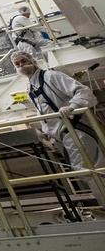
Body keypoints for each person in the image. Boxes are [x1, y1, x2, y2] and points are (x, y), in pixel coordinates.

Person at [13, 52, 105, 203]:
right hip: (62, 136)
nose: (21, 66)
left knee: (91, 170)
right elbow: (42, 111)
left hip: (76, 129)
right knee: (86, 170)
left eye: (23, 61)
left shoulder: (51, 76)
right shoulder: (30, 88)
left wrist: (72, 106)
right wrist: (46, 132)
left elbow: (83, 91)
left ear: (32, 60)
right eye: (17, 64)